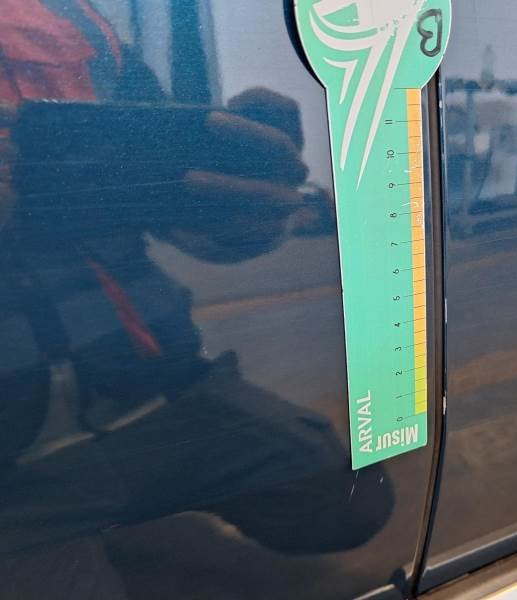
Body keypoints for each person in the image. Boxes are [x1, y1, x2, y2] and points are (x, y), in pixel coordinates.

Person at [0, 1, 391, 596]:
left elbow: (171, 196)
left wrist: (241, 220)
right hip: (13, 460)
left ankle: (109, 507)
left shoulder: (78, 23)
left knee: (347, 499)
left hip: (151, 387)